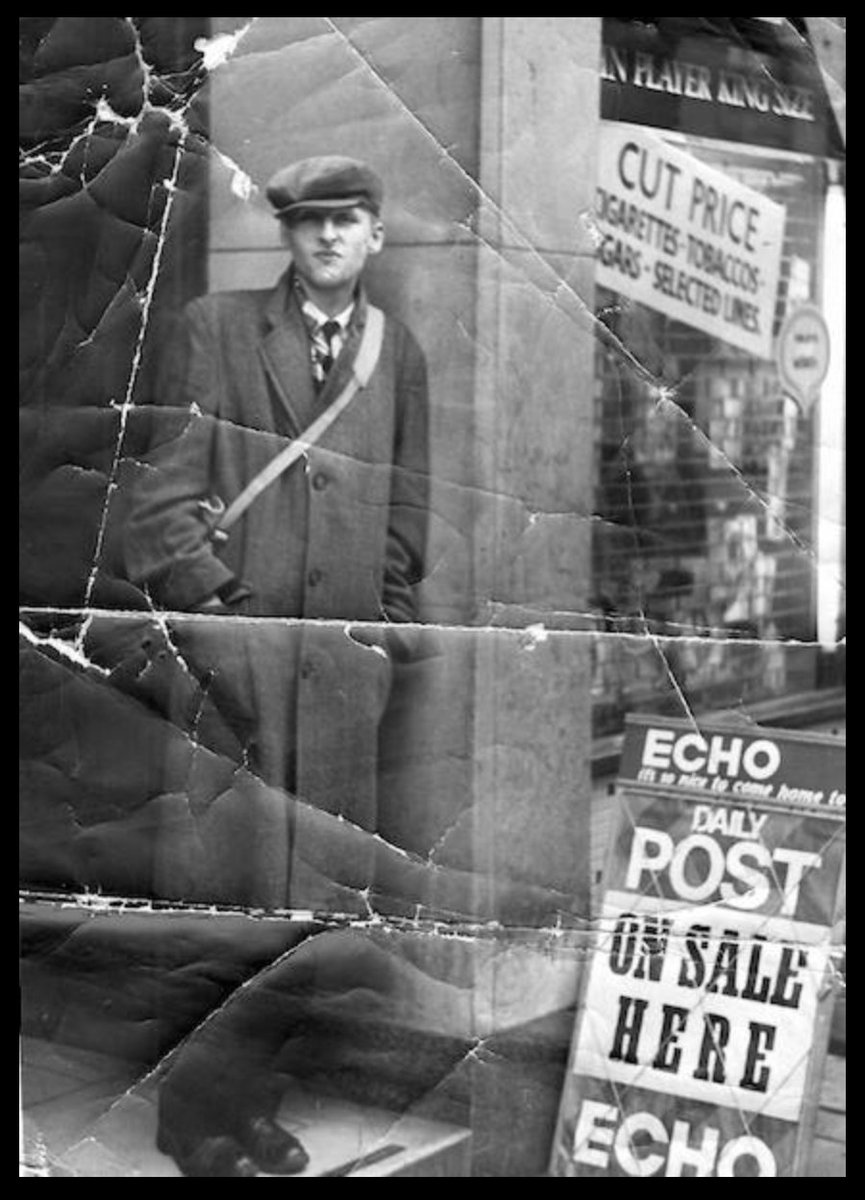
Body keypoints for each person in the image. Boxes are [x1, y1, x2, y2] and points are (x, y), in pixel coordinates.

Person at [122, 157, 432, 1175]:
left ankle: (254, 1106)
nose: (329, 240)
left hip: (337, 692)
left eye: (348, 222)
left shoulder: (399, 356)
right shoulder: (213, 329)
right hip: (232, 685)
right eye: (309, 225)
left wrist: (378, 637)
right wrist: (217, 614)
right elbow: (161, 502)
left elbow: (404, 520)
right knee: (225, 914)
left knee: (303, 923)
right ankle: (191, 1119)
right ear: (287, 238)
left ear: (375, 236)